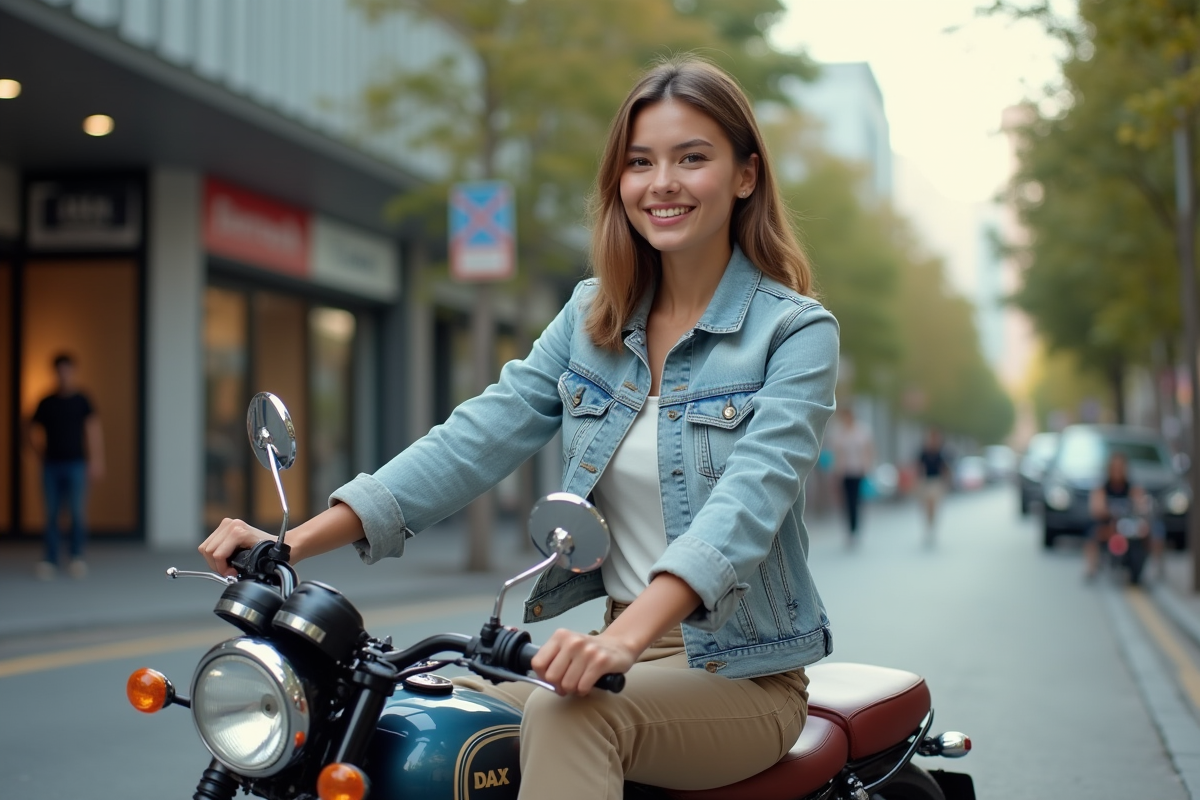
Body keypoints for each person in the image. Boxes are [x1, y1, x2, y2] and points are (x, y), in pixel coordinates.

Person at [200, 56, 839, 799]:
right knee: (410, 725)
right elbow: (477, 437)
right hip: (619, 646)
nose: (661, 182)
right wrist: (291, 542)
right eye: (640, 163)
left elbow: (746, 507)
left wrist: (620, 642)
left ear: (744, 176)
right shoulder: (593, 317)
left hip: (740, 674)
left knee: (573, 719)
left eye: (691, 158)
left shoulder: (793, 332)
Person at [24, 353, 105, 580]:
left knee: (77, 512)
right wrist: (38, 452)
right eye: (60, 370)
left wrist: (96, 460)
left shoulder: (82, 400)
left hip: (76, 464)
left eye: (67, 370)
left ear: (73, 371)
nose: (63, 375)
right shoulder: (46, 402)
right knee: (51, 513)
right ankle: (50, 557)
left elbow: (93, 431)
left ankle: (76, 556)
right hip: (51, 465)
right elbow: (30, 428)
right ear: (55, 372)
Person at [1085, 451, 1161, 581]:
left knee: (1155, 531)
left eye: (1121, 468)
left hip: (1129, 523)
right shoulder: (1103, 488)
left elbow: (1141, 503)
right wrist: (1108, 512)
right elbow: (1096, 508)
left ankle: (1155, 565)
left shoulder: (1132, 487)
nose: (1118, 471)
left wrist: (1140, 508)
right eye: (1115, 468)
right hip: (1108, 523)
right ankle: (1091, 567)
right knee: (1092, 533)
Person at [830, 406, 874, 546]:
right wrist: (836, 470)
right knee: (847, 501)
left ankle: (855, 527)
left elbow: (868, 449)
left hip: (858, 471)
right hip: (844, 471)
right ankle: (850, 528)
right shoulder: (839, 432)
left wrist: (867, 466)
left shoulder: (862, 431)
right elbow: (836, 452)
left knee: (856, 499)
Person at [915, 427, 949, 545]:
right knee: (926, 507)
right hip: (925, 482)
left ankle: (932, 527)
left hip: (936, 482)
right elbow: (919, 467)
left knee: (933, 506)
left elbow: (944, 468)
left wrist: (946, 482)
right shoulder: (924, 452)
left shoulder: (941, 452)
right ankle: (928, 527)